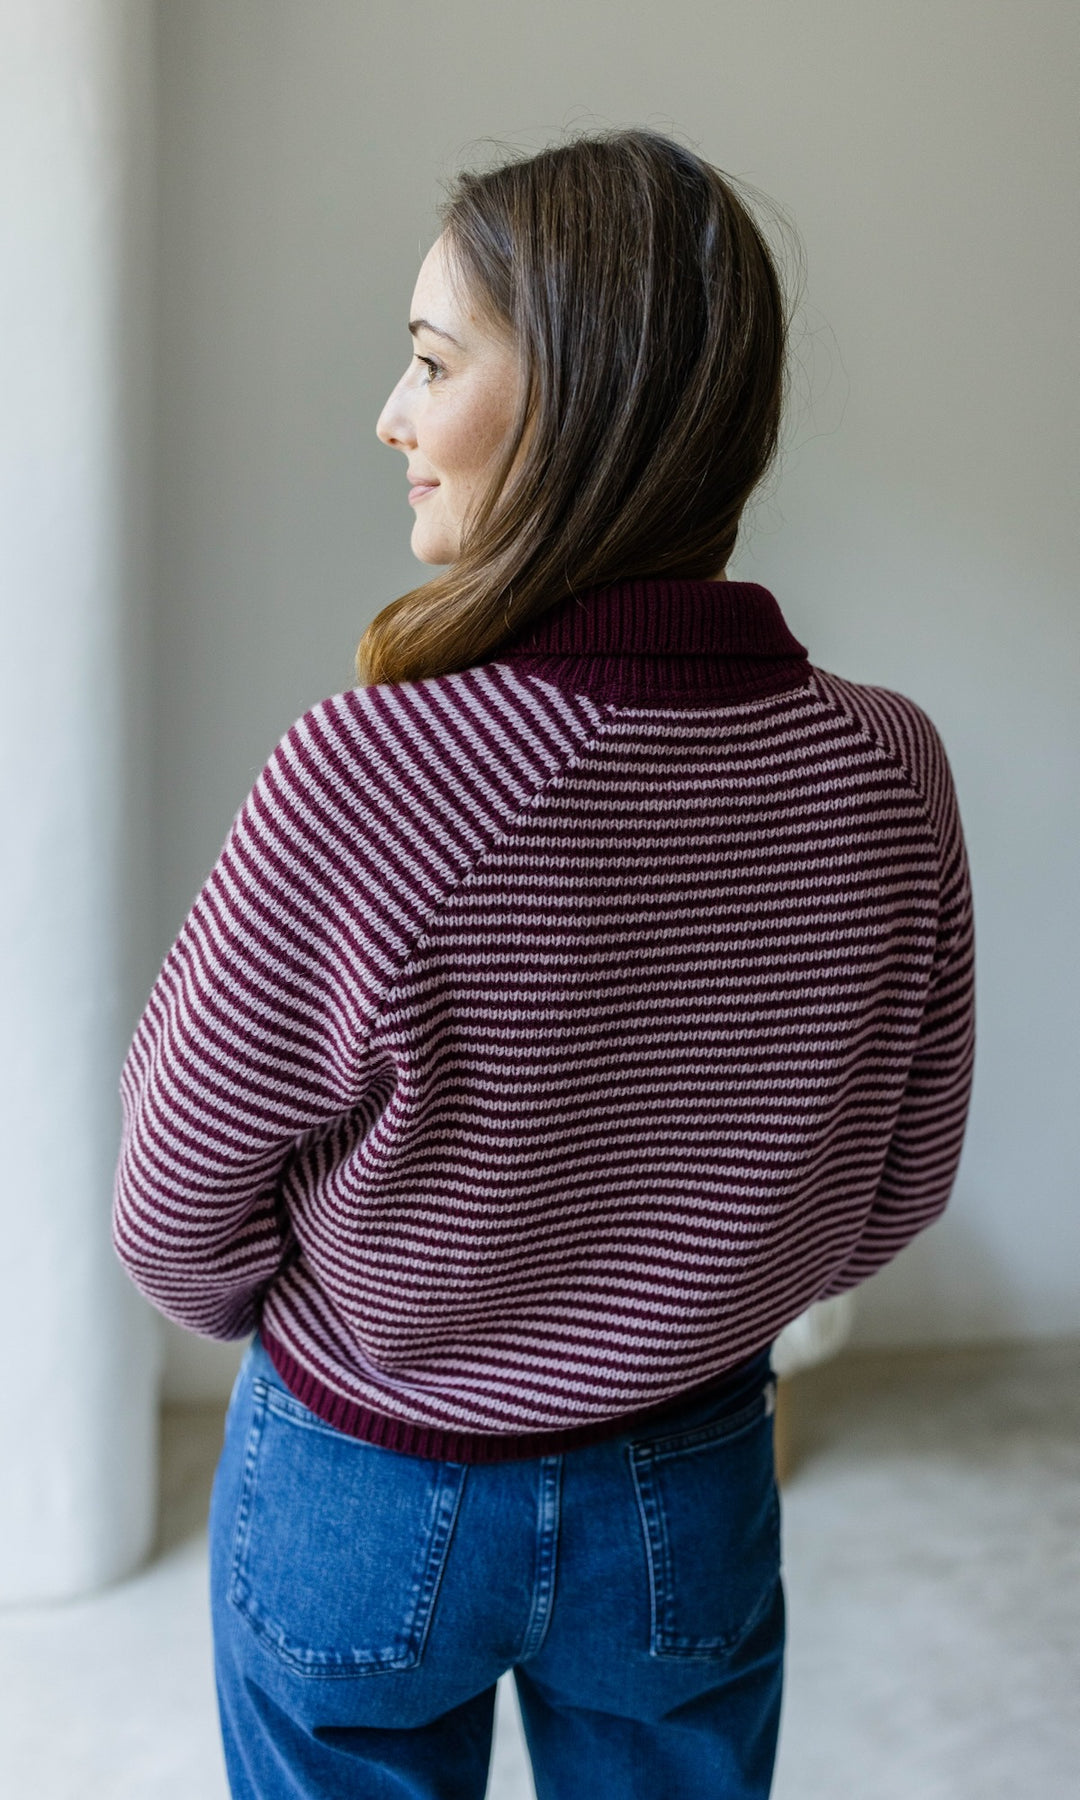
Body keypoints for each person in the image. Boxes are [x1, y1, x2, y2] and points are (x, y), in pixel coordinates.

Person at [112, 127, 975, 1799]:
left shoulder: (373, 774)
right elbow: (895, 1184)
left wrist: (372, 1330)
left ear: (581, 404)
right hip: (691, 1477)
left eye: (432, 362)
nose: (391, 414)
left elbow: (172, 1209)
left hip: (364, 1466)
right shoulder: (886, 765)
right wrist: (672, 1315)